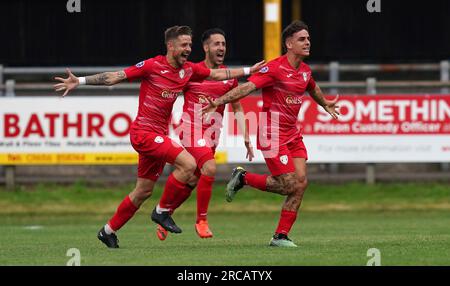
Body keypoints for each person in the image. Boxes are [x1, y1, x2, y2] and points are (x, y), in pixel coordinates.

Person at [54, 25, 264, 248]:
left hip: (158, 135)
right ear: (170, 46)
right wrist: (81, 81)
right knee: (189, 163)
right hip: (143, 133)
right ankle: (162, 212)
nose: (188, 49)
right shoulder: (153, 65)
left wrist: (248, 70)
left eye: (190, 45)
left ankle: (108, 231)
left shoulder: (188, 71)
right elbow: (115, 77)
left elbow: (217, 73)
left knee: (143, 191)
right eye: (184, 45)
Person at [202, 21, 340, 247]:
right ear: (289, 44)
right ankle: (243, 178)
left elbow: (311, 86)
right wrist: (218, 101)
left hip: (292, 134)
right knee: (288, 185)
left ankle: (280, 236)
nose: (307, 43)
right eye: (302, 39)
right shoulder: (275, 68)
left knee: (301, 182)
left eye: (308, 39)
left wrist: (324, 103)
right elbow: (247, 87)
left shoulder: (304, 71)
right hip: (271, 133)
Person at [154, 28, 255, 240]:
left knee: (192, 181)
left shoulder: (229, 78)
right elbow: (168, 88)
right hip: (190, 129)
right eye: (217, 44)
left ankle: (165, 214)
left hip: (211, 137)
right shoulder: (191, 71)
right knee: (210, 167)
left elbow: (236, 108)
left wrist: (246, 136)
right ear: (206, 47)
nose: (221, 48)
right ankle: (201, 220)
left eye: (224, 44)